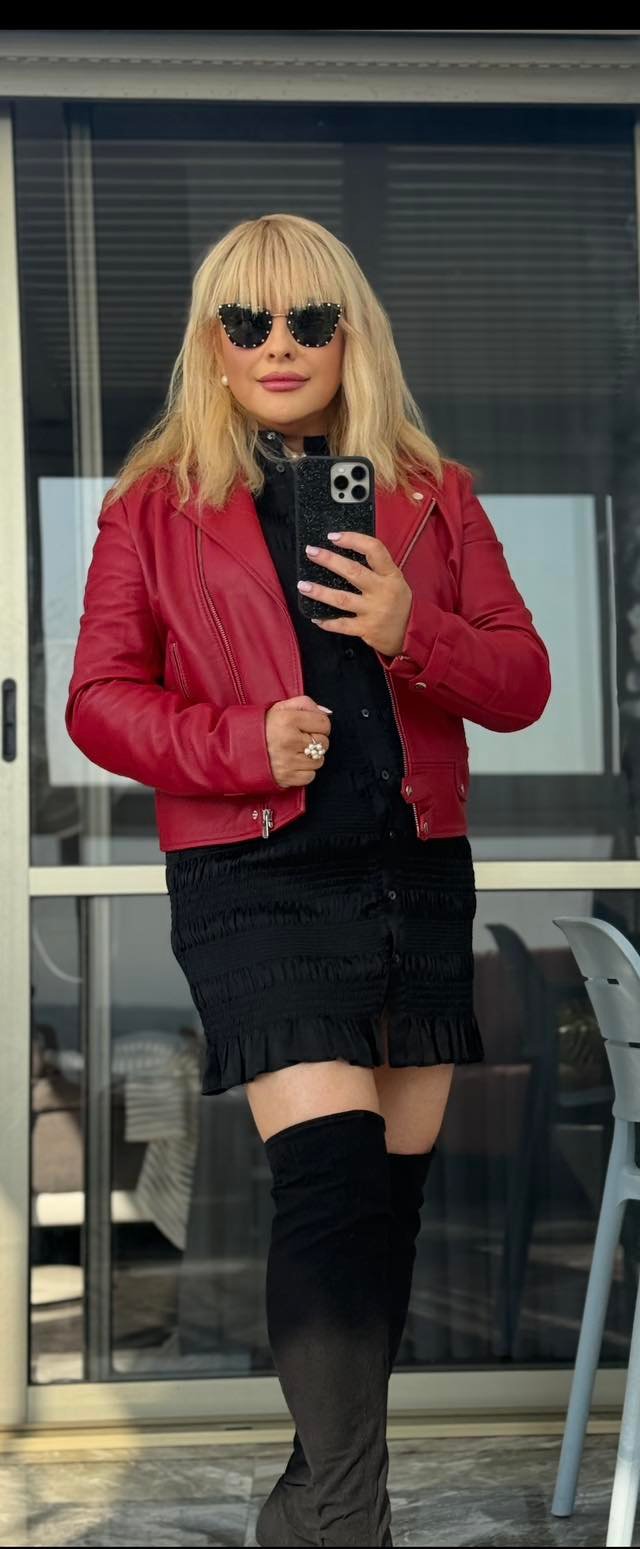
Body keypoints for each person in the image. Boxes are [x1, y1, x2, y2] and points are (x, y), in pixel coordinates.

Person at [65, 213, 551, 1547]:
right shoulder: (153, 506)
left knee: (383, 1213)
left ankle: (305, 1506)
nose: (279, 345)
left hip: (411, 872)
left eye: (309, 319)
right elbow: (97, 700)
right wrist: (241, 743)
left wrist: (412, 628)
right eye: (248, 321)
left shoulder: (437, 493)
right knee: (330, 1184)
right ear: (212, 345)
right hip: (255, 874)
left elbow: (522, 678)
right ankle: (350, 1521)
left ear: (352, 335)